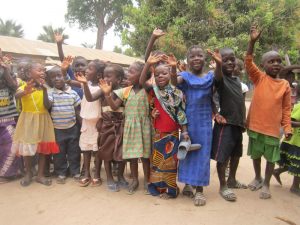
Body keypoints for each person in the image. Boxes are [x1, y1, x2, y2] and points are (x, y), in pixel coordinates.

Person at [245, 25, 292, 199]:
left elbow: (287, 109)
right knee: (255, 155)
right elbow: (248, 62)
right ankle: (257, 177)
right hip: (256, 126)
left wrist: (287, 128)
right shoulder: (259, 78)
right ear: (263, 65)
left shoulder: (285, 85)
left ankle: (266, 183)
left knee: (271, 158)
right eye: (271, 61)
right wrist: (252, 42)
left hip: (273, 129)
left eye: (278, 61)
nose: (276, 64)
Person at [173, 45, 221, 206]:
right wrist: (173, 68)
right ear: (188, 60)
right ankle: (187, 183)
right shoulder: (184, 76)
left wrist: (219, 64)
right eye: (192, 56)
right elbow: (173, 82)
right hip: (188, 123)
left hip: (205, 123)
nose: (196, 59)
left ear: (205, 58)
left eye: (199, 55)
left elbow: (219, 80)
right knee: (186, 152)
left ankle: (199, 191)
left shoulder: (210, 77)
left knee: (202, 155)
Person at [139, 52, 189, 199]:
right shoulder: (154, 91)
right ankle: (158, 189)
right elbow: (142, 82)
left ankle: (172, 191)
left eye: (164, 73)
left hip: (172, 135)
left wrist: (185, 132)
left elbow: (181, 114)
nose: (160, 76)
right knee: (158, 163)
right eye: (157, 74)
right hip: (158, 134)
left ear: (169, 75)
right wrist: (148, 64)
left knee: (171, 164)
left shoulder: (176, 93)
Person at [99, 62, 151, 194]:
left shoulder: (148, 89)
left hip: (144, 127)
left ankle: (147, 180)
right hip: (129, 127)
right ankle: (135, 180)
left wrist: (149, 63)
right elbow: (114, 107)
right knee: (133, 156)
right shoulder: (125, 91)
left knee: (146, 156)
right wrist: (107, 94)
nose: (128, 74)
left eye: (132, 71)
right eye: (129, 71)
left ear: (142, 74)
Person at [79, 64, 128, 192]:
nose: (105, 78)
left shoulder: (123, 91)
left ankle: (121, 177)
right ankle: (110, 178)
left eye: (109, 76)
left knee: (122, 153)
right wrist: (85, 84)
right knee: (106, 153)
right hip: (106, 126)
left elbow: (115, 107)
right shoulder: (102, 90)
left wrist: (107, 94)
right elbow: (89, 98)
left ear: (119, 79)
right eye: (104, 75)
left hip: (120, 126)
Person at [12, 62, 59, 186]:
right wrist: (25, 92)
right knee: (27, 148)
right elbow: (16, 96)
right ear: (29, 73)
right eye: (39, 70)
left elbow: (47, 106)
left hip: (43, 120)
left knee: (43, 148)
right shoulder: (24, 87)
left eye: (43, 70)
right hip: (28, 121)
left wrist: (44, 91)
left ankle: (40, 175)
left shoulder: (46, 89)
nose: (42, 72)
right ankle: (28, 174)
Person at [211, 48, 247, 202]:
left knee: (236, 154)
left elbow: (240, 103)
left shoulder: (237, 81)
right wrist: (219, 64)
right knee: (223, 157)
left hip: (237, 124)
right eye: (225, 60)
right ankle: (223, 185)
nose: (230, 62)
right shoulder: (220, 79)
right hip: (225, 124)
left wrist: (244, 120)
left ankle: (232, 179)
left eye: (232, 59)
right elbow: (217, 77)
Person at [43, 66, 81, 184]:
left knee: (74, 151)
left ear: (65, 77)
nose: (56, 79)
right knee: (59, 153)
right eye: (53, 77)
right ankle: (61, 172)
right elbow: (47, 106)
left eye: (59, 75)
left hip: (72, 128)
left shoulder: (73, 93)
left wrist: (81, 126)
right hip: (57, 129)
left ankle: (75, 171)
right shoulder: (50, 93)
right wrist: (44, 90)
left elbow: (77, 111)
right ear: (49, 80)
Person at [71, 59, 105, 187]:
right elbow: (68, 81)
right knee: (85, 149)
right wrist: (64, 70)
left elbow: (90, 98)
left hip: (98, 123)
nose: (86, 70)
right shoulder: (85, 83)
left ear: (98, 75)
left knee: (97, 150)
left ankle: (96, 174)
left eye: (90, 69)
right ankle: (86, 174)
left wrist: (84, 84)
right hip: (86, 122)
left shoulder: (101, 87)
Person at [0, 58, 22, 183]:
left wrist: (6, 70)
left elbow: (14, 86)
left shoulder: (8, 73)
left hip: (7, 119)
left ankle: (6, 174)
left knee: (10, 147)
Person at [272, 103, 300, 196]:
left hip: (295, 142)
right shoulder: (299, 107)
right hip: (295, 142)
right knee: (297, 164)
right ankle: (295, 187)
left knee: (291, 163)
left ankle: (277, 171)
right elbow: (289, 122)